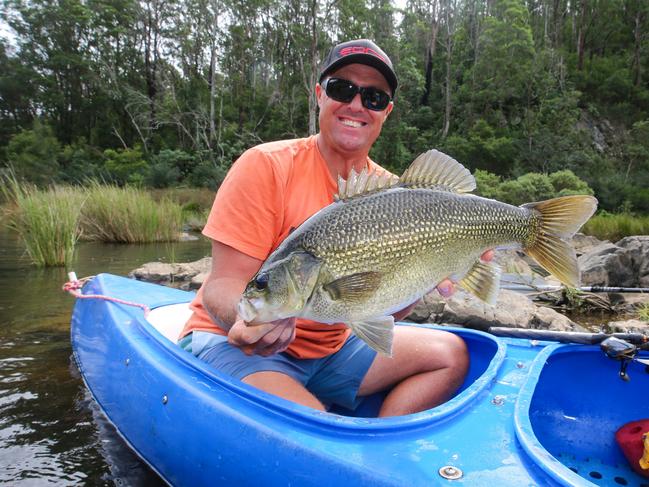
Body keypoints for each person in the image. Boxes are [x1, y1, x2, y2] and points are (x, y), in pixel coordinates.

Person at [179, 39, 491, 417]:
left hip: (332, 347)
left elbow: (387, 305)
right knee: (316, 426)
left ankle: (376, 449)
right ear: (319, 95)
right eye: (342, 89)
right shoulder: (265, 166)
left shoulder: (395, 195)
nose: (357, 105)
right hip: (231, 343)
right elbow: (223, 285)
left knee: (450, 355)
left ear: (386, 111)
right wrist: (247, 318)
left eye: (374, 97)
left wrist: (432, 274)